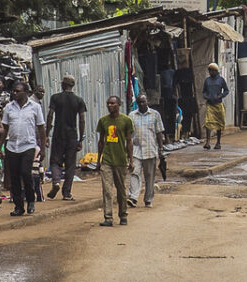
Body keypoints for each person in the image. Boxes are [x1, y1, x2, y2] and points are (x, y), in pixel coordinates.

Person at [0, 82, 45, 217]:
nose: (14, 93)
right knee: (14, 177)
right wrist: (0, 146)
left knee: (26, 173)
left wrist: (42, 148)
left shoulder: (35, 107)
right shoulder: (8, 108)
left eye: (17, 91)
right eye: (13, 91)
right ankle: (18, 206)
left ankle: (31, 200)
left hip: (28, 145)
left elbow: (41, 128)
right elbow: (5, 128)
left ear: (26, 92)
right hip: (12, 146)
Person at [93, 96, 132, 227]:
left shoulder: (126, 121)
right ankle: (108, 217)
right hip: (107, 160)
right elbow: (101, 142)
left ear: (119, 105)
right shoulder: (103, 121)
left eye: (113, 103)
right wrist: (99, 160)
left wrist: (131, 160)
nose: (110, 105)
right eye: (108, 103)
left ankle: (123, 215)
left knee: (121, 190)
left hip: (121, 160)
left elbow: (129, 141)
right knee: (107, 190)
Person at [45, 77, 87, 201]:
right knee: (70, 165)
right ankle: (67, 193)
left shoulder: (55, 98)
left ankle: (56, 182)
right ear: (73, 85)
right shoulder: (78, 100)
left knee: (55, 161)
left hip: (58, 134)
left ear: (63, 84)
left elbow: (50, 116)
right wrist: (80, 139)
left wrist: (47, 134)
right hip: (72, 136)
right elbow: (82, 120)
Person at [126, 94, 164, 208]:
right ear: (137, 103)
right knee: (135, 173)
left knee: (149, 176)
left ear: (147, 101)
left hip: (150, 149)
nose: (142, 104)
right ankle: (133, 197)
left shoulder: (155, 115)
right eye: (140, 102)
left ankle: (148, 199)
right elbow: (128, 135)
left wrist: (161, 149)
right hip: (136, 150)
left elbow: (159, 132)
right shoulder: (132, 115)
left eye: (144, 102)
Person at [201, 63, 229, 150]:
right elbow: (204, 91)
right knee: (208, 122)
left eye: (213, 70)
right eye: (209, 70)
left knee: (219, 123)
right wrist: (206, 96)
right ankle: (208, 142)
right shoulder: (207, 81)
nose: (211, 72)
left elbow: (226, 90)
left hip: (218, 104)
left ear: (216, 71)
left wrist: (220, 96)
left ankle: (218, 142)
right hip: (210, 104)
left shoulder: (221, 80)